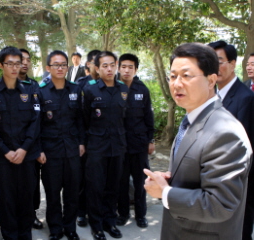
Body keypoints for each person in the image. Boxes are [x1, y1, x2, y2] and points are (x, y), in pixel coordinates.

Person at [144, 42, 252, 240]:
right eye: (173, 76)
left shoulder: (224, 132)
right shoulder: (192, 120)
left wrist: (166, 193)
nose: (177, 83)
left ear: (211, 81)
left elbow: (220, 203)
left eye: (186, 76)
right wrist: (171, 179)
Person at [0, 46, 40, 240]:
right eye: (10, 63)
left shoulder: (31, 89)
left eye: (18, 63)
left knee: (26, 199)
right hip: (2, 157)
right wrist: (6, 151)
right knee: (6, 200)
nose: (15, 67)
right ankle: (10, 236)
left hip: (27, 156)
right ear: (1, 65)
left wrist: (24, 149)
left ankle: (25, 236)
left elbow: (35, 121)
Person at [208, 40, 254, 240]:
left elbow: (244, 145)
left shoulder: (245, 98)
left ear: (234, 63)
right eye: (210, 62)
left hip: (237, 178)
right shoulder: (211, 95)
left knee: (240, 227)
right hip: (215, 175)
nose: (215, 68)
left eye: (220, 61)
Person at [38, 50, 85, 240]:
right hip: (50, 152)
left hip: (72, 149)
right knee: (52, 194)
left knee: (72, 193)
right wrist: (39, 148)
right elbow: (37, 125)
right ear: (48, 68)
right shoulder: (40, 91)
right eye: (56, 64)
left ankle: (70, 228)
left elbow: (80, 119)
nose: (60, 68)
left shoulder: (75, 89)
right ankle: (56, 229)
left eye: (63, 64)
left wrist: (82, 142)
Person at [83, 51, 128, 240]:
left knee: (113, 187)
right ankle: (97, 225)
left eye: (112, 65)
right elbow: (83, 119)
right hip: (96, 146)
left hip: (117, 145)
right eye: (104, 66)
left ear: (116, 65)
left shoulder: (123, 88)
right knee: (95, 187)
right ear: (97, 68)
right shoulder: (90, 89)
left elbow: (125, 118)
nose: (109, 69)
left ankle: (110, 222)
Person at [116, 53, 155, 228]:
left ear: (136, 69)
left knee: (140, 182)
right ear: (118, 68)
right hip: (119, 145)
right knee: (121, 182)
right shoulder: (113, 88)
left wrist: (151, 140)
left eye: (130, 67)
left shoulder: (142, 89)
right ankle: (123, 214)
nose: (126, 70)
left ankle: (141, 215)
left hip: (139, 143)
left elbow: (148, 116)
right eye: (123, 66)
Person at [18, 48, 44, 230]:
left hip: (32, 146)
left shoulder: (34, 86)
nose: (25, 63)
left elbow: (39, 120)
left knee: (32, 184)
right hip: (10, 147)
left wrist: (38, 148)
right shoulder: (0, 87)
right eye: (21, 59)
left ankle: (31, 214)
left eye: (28, 59)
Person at [75, 49, 100, 228]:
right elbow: (76, 115)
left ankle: (99, 212)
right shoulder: (80, 84)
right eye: (92, 62)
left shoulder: (112, 84)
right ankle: (81, 212)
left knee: (100, 179)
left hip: (103, 140)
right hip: (85, 138)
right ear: (89, 64)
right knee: (83, 178)